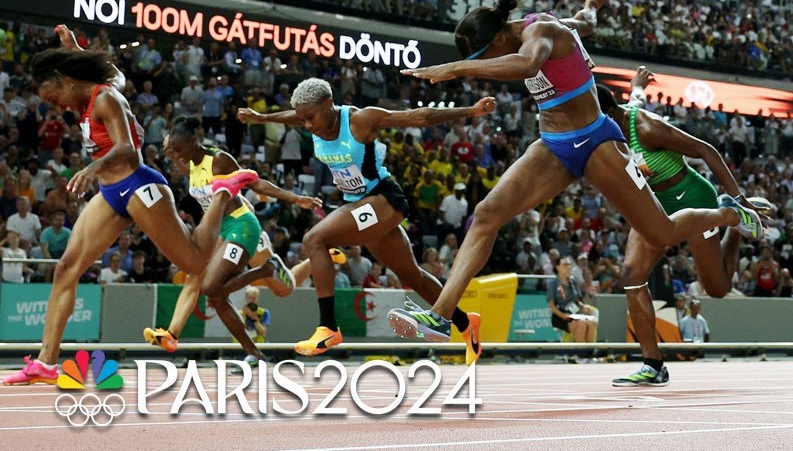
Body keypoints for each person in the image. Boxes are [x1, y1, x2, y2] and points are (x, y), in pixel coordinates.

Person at [398, 0, 761, 343]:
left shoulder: (539, 32)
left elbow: (528, 62)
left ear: (498, 41)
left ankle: (729, 214)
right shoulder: (548, 28)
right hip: (553, 145)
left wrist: (459, 68)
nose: (483, 65)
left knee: (661, 233)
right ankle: (441, 316)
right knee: (487, 212)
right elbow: (585, 22)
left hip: (596, 142)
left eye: (483, 57)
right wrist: (591, 3)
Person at [4, 32, 209, 386]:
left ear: (67, 82)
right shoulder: (95, 89)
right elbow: (111, 70)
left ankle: (221, 210)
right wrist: (74, 49)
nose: (58, 107)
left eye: (56, 98)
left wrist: (92, 167)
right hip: (112, 193)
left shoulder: (105, 100)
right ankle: (46, 362)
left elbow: (129, 150)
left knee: (193, 263)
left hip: (141, 187)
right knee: (66, 268)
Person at [237, 78, 491, 361]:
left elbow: (418, 117)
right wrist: (262, 118)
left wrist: (469, 111)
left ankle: (328, 327)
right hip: (358, 206)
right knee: (412, 277)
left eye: (311, 118)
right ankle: (466, 323)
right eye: (303, 119)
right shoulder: (314, 122)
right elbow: (293, 117)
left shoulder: (360, 120)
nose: (307, 125)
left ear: (329, 105)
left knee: (314, 239)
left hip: (384, 199)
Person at [599, 70, 769, 387]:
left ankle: (733, 220)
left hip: (694, 199)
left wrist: (739, 198)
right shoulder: (609, 127)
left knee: (716, 289)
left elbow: (708, 151)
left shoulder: (646, 127)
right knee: (631, 274)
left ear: (608, 114)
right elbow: (634, 97)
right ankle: (653, 365)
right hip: (656, 206)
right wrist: (637, 86)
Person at [143, 117, 323, 359]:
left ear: (194, 141)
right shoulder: (189, 164)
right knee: (198, 280)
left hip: (242, 224)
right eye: (172, 151)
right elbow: (177, 156)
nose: (176, 155)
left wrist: (295, 198)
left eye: (178, 149)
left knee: (279, 289)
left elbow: (255, 182)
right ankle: (173, 335)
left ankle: (282, 266)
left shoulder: (219, 160)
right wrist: (170, 149)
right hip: (220, 230)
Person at [547, 256, 596, 344]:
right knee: (580, 324)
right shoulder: (553, 284)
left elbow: (577, 301)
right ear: (558, 267)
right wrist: (564, 316)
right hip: (560, 315)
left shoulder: (573, 282)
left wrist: (583, 307)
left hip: (575, 313)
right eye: (565, 265)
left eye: (569, 265)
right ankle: (580, 355)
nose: (568, 267)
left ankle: (589, 353)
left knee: (591, 323)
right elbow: (551, 306)